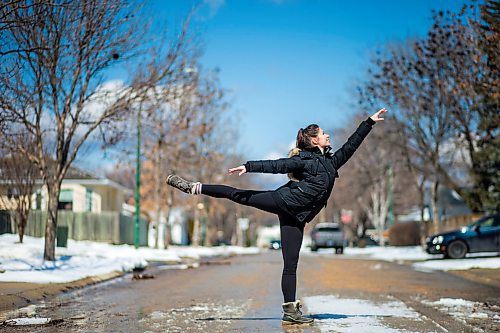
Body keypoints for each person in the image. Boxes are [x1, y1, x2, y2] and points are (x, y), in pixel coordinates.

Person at [166, 108, 387, 325]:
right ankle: (194, 188)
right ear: (313, 141)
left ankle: (290, 311)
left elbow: (352, 145)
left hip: (297, 218)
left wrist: (369, 122)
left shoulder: (331, 163)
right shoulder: (304, 160)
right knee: (240, 196)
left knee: (291, 264)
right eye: (322, 133)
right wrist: (248, 166)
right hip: (283, 201)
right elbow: (277, 165)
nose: (327, 135)